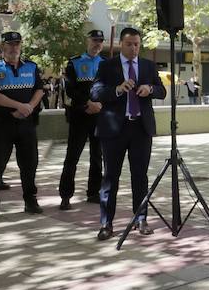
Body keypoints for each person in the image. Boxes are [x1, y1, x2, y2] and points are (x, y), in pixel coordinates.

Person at [90, 26, 165, 240]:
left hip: (141, 128)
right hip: (114, 129)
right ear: (121, 44)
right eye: (129, 44)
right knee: (110, 178)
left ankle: (140, 218)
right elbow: (95, 92)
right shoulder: (107, 66)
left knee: (140, 176)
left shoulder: (148, 66)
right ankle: (106, 224)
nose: (134, 48)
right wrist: (118, 89)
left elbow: (162, 90)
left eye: (137, 44)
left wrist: (150, 89)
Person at [0, 31, 45, 220]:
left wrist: (29, 108)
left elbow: (39, 90)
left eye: (17, 44)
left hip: (26, 125)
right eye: (9, 44)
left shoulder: (32, 67)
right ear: (3, 47)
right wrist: (18, 106)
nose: (13, 47)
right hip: (1, 126)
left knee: (29, 164)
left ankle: (30, 200)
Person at [59, 29, 105, 209]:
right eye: (94, 40)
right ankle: (65, 195)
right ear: (87, 41)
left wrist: (99, 105)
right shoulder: (74, 62)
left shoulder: (106, 63)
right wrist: (87, 103)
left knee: (97, 156)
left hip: (99, 116)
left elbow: (109, 88)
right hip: (80, 115)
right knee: (72, 156)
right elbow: (70, 89)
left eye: (100, 41)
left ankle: (94, 193)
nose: (97, 44)